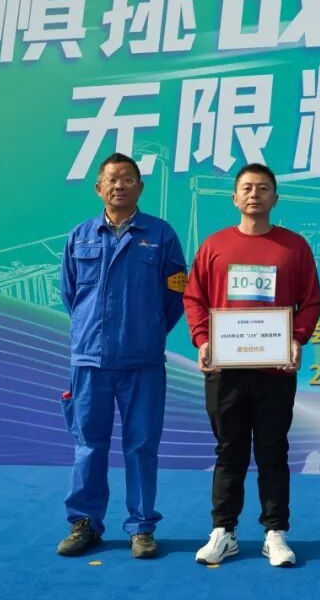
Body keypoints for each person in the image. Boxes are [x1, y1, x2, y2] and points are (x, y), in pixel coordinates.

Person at [183, 163, 320, 567]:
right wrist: (203, 340)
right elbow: (194, 298)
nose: (254, 194)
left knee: (272, 451)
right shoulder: (214, 246)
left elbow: (311, 301)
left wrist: (296, 338)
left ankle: (275, 533)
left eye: (263, 188)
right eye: (246, 188)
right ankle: (223, 531)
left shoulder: (294, 247)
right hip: (225, 371)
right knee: (229, 451)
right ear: (234, 198)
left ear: (275, 198)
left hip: (274, 371)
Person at [56, 152, 187, 559]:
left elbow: (175, 295)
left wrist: (145, 331)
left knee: (142, 446)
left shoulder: (161, 235)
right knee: (88, 444)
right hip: (90, 360)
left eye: (128, 178)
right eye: (111, 179)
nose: (119, 185)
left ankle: (142, 526)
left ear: (140, 187)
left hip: (142, 362)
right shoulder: (80, 236)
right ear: (98, 188)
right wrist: (93, 332)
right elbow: (71, 295)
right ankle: (84, 522)